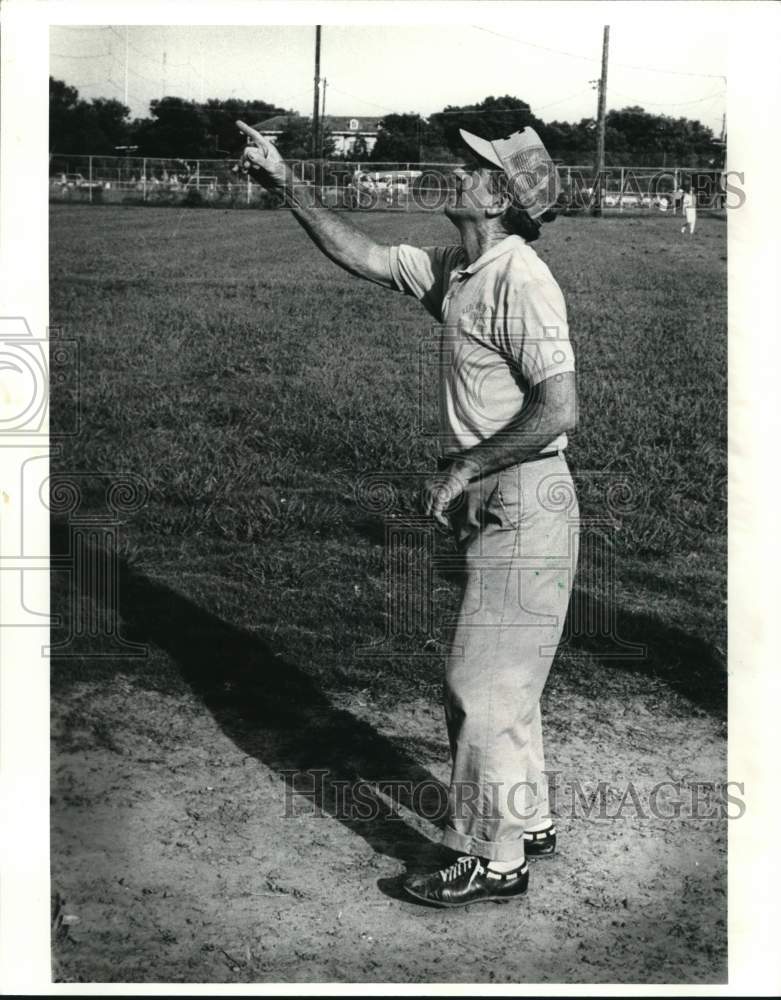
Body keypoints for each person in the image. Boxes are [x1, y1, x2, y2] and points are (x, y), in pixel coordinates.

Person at [235, 120, 580, 909]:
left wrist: (465, 463)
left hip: (524, 498)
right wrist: (284, 180)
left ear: (498, 196)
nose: (457, 172)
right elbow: (362, 255)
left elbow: (559, 408)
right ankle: (526, 821)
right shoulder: (462, 267)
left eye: (474, 168)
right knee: (506, 678)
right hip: (497, 499)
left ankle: (490, 860)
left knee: (476, 684)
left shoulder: (517, 279)